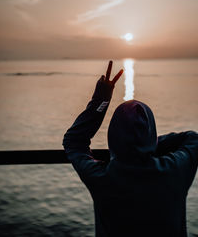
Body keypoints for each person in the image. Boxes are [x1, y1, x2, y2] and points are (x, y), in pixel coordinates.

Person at [63, 60, 198, 237]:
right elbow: (193, 138)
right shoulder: (175, 170)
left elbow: (74, 141)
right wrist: (149, 143)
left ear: (113, 136)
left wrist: (100, 100)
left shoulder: (101, 177)